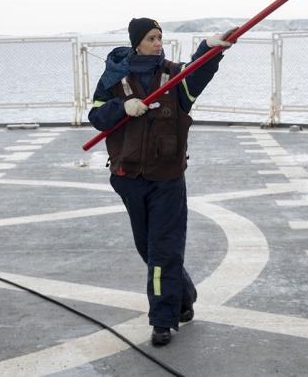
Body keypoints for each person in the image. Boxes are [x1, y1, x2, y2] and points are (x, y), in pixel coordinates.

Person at [87, 18, 231, 347]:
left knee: (163, 250)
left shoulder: (173, 76)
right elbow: (96, 115)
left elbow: (198, 72)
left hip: (166, 178)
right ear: (137, 42)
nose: (157, 43)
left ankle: (163, 321)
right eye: (151, 38)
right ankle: (184, 295)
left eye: (160, 37)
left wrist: (211, 49)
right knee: (147, 248)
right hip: (128, 177)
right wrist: (122, 107)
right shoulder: (115, 78)